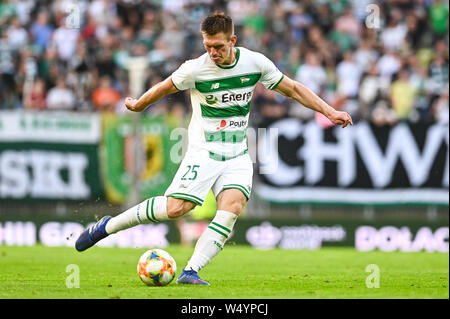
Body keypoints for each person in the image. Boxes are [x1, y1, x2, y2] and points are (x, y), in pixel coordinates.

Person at [75, 12, 353, 285]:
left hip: (237, 154)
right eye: (207, 46)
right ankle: (106, 226)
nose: (213, 53)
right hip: (203, 151)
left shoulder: (255, 63)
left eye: (218, 47)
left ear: (233, 40)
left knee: (232, 206)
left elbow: (292, 89)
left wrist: (329, 111)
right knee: (176, 208)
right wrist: (139, 104)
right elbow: (163, 87)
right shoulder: (196, 68)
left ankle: (191, 271)